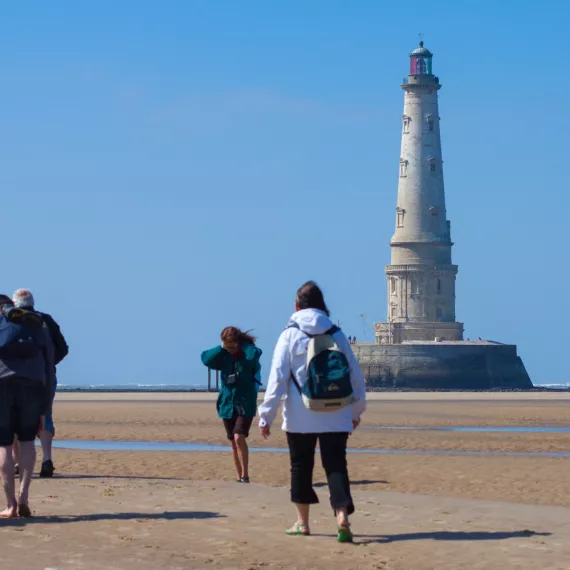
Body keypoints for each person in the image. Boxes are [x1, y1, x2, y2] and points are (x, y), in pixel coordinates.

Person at [258, 281, 366, 543]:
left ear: (296, 305)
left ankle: (302, 522)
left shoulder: (289, 335)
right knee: (336, 466)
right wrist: (356, 411)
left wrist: (265, 416)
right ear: (322, 305)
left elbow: (277, 380)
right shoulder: (337, 334)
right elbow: (355, 376)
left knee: (300, 466)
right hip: (336, 412)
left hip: (299, 415)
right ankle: (342, 518)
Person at [0, 294, 54, 517]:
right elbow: (49, 367)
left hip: (2, 386)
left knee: (3, 445)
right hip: (32, 388)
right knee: (28, 442)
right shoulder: (37, 325)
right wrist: (45, 407)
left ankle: (10, 505)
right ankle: (23, 497)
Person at [12, 289, 69, 478]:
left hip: (17, 376)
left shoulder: (10, 321)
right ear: (32, 303)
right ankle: (47, 459)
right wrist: (48, 363)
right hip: (44, 375)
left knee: (16, 417)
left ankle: (19, 462)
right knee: (45, 415)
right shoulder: (46, 320)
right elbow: (62, 348)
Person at [201, 327, 262, 483]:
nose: (230, 350)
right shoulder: (223, 356)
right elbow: (206, 359)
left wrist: (242, 345)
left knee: (239, 436)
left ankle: (246, 475)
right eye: (226, 347)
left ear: (238, 343)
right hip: (227, 402)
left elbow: (255, 354)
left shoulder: (249, 354)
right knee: (233, 442)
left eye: (231, 346)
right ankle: (239, 475)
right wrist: (222, 347)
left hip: (245, 402)